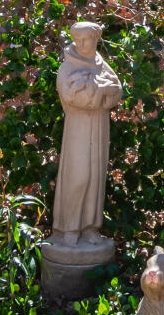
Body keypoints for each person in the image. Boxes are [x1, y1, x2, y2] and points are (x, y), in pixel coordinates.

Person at [52, 21, 123, 246]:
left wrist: (101, 92)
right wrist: (99, 92)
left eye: (87, 39)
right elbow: (73, 97)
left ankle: (91, 227)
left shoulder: (102, 65)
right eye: (78, 39)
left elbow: (117, 90)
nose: (83, 44)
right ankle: (70, 228)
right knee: (78, 175)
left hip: (99, 127)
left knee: (95, 176)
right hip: (78, 128)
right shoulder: (67, 67)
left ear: (96, 39)